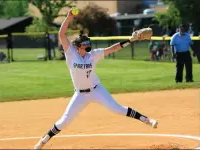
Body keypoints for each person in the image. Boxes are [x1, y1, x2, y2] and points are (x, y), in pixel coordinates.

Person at [34, 9, 158, 149]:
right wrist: (68, 17)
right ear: (78, 46)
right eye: (85, 44)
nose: (88, 46)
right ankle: (43, 141)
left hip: (96, 89)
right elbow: (61, 34)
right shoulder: (71, 53)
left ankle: (147, 120)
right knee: (64, 121)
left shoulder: (93, 55)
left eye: (88, 43)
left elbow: (113, 48)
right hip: (80, 94)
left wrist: (130, 40)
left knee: (116, 108)